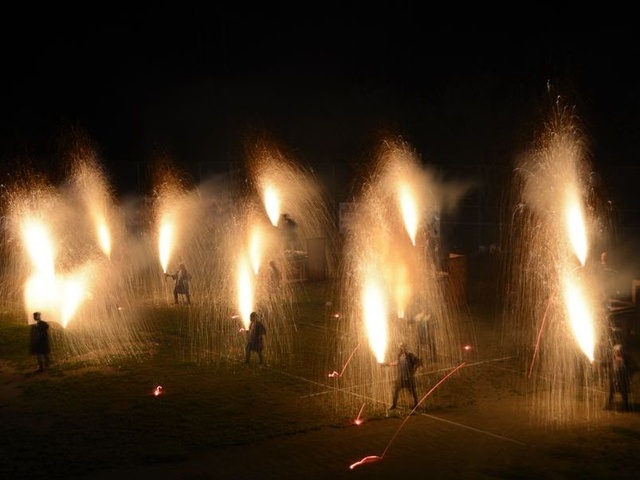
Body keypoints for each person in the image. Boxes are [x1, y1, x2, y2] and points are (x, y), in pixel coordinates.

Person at [380, 343, 422, 410]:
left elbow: (418, 362)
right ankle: (394, 405)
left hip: (409, 378)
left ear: (404, 348)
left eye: (401, 348)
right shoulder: (400, 356)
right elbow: (397, 363)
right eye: (399, 348)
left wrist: (414, 370)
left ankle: (416, 404)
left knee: (413, 391)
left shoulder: (410, 356)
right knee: (396, 391)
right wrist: (386, 364)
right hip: (401, 378)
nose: (399, 349)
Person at [604, 343, 635, 411]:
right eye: (615, 351)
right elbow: (606, 363)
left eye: (617, 351)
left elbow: (631, 366)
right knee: (611, 392)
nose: (616, 352)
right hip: (614, 378)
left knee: (624, 392)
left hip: (622, 379)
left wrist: (629, 373)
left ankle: (626, 406)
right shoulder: (612, 358)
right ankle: (608, 405)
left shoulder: (625, 358)